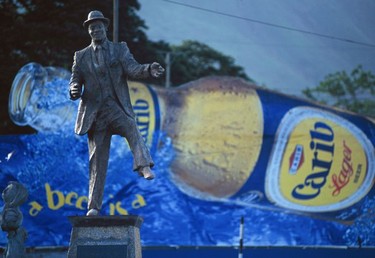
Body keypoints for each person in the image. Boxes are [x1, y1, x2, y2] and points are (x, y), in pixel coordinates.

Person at [69, 10, 164, 216]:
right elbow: (75, 79)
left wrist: (148, 69)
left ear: (106, 28)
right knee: (97, 161)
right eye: (92, 27)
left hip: (116, 108)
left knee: (131, 126)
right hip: (95, 115)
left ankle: (143, 165)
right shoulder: (81, 56)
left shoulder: (119, 49)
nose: (96, 29)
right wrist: (74, 89)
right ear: (88, 30)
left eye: (99, 26)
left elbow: (132, 69)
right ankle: (93, 206)